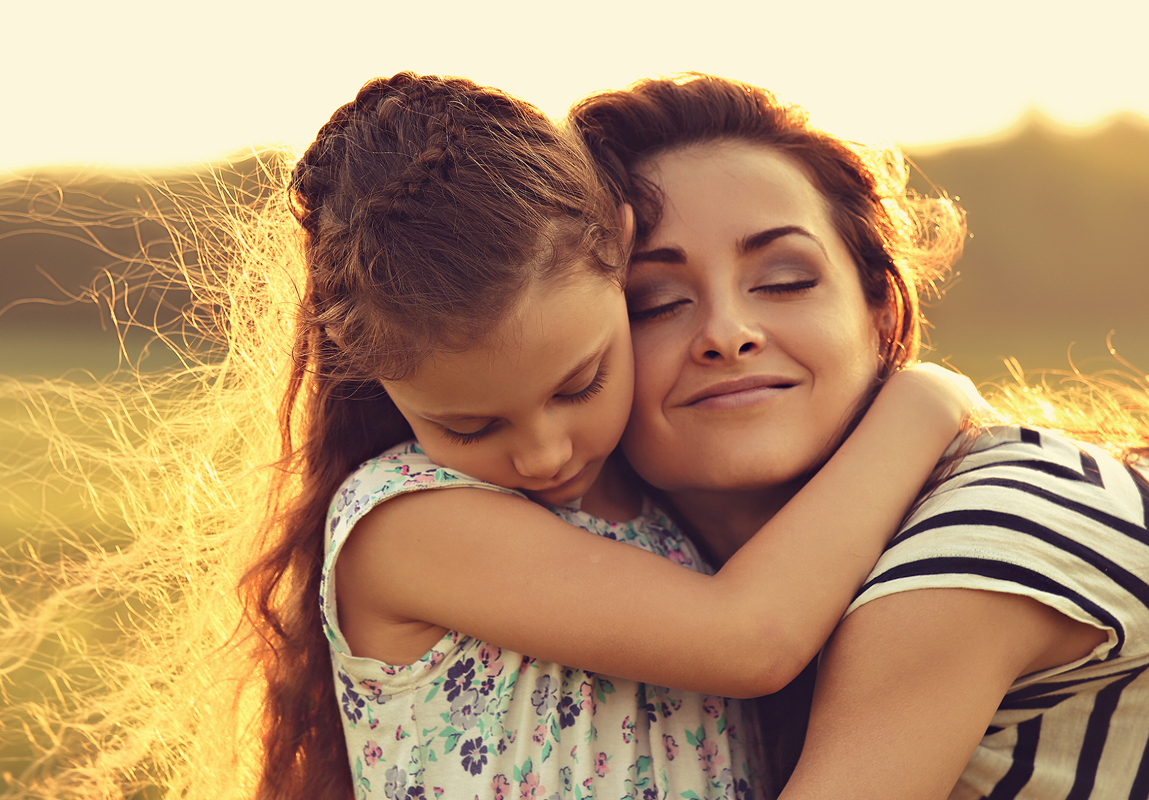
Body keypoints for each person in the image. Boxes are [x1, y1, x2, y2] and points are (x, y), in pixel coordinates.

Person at [253, 71, 987, 800]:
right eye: (469, 426)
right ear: (371, 374)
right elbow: (753, 639)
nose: (544, 455)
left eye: (579, 386)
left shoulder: (664, 507)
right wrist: (929, 394)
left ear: (619, 253)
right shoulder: (407, 523)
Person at [570, 72, 1149, 799]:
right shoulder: (629, 582)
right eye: (654, 303)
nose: (726, 333)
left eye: (783, 280)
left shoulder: (999, 519)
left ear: (880, 313)